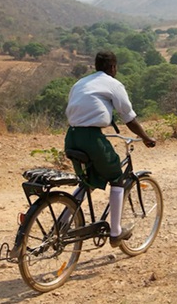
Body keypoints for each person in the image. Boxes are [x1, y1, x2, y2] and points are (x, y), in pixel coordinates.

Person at [65, 50, 156, 247]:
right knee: (117, 178)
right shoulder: (113, 84)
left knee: (87, 181)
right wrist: (146, 138)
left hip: (71, 136)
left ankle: (63, 223)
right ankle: (115, 232)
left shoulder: (80, 83)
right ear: (113, 67)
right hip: (91, 137)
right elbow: (129, 118)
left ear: (96, 66)